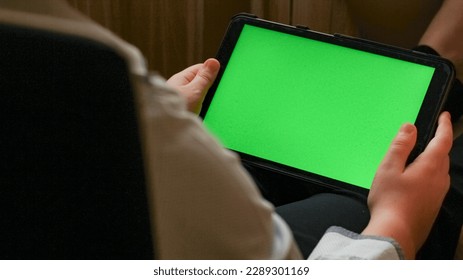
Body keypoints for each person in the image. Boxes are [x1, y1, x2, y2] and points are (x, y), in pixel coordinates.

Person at [0, 0, 457, 259]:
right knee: (375, 194)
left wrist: (144, 126)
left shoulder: (57, 61)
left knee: (260, 171)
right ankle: (442, 64)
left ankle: (436, 59)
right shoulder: (87, 65)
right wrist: (395, 226)